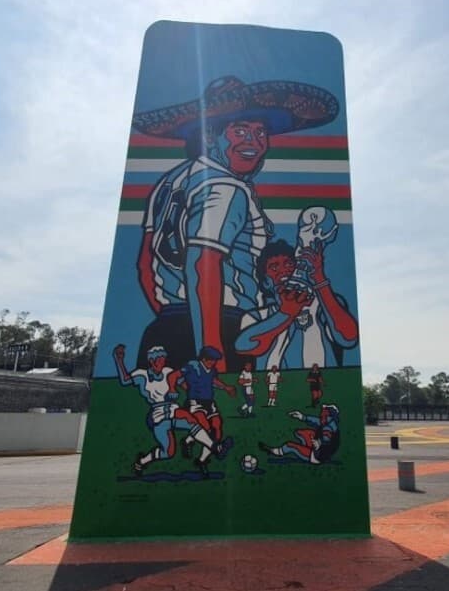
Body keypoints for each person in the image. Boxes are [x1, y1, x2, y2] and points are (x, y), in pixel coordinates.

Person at [133, 76, 340, 373]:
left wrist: (175, 319)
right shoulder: (225, 187)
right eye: (239, 130)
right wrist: (211, 351)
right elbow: (202, 263)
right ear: (209, 135)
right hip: (220, 328)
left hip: (166, 328)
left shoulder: (170, 182)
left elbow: (145, 265)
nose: (253, 142)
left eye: (260, 132)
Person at [235, 231, 359, 369]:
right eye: (274, 267)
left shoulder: (322, 305)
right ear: (265, 282)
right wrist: (286, 313)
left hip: (321, 385)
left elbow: (348, 338)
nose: (283, 271)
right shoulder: (256, 316)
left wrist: (319, 279)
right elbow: (247, 346)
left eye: (288, 264)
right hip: (274, 387)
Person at [111, 344, 224, 477]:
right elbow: (124, 381)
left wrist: (196, 391)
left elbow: (183, 384)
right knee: (168, 452)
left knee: (191, 420)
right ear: (152, 360)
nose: (162, 362)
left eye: (164, 359)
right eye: (160, 360)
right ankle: (142, 461)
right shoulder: (142, 375)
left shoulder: (167, 371)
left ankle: (214, 447)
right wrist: (119, 360)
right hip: (158, 413)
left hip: (172, 408)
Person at [176, 346, 237, 477]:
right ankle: (216, 449)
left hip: (209, 402)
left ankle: (201, 459)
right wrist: (185, 387)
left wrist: (225, 387)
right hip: (195, 402)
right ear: (203, 358)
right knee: (205, 427)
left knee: (217, 429)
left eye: (215, 360)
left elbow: (213, 381)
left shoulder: (212, 370)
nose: (213, 362)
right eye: (211, 360)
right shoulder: (192, 366)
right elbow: (177, 377)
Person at [259, 405, 341, 465]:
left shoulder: (328, 428)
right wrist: (302, 417)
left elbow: (326, 438)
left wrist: (319, 443)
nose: (321, 412)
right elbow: (316, 421)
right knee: (301, 433)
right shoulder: (329, 422)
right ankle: (307, 449)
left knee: (290, 446)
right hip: (322, 452)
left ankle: (274, 451)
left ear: (328, 414)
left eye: (324, 411)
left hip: (317, 456)